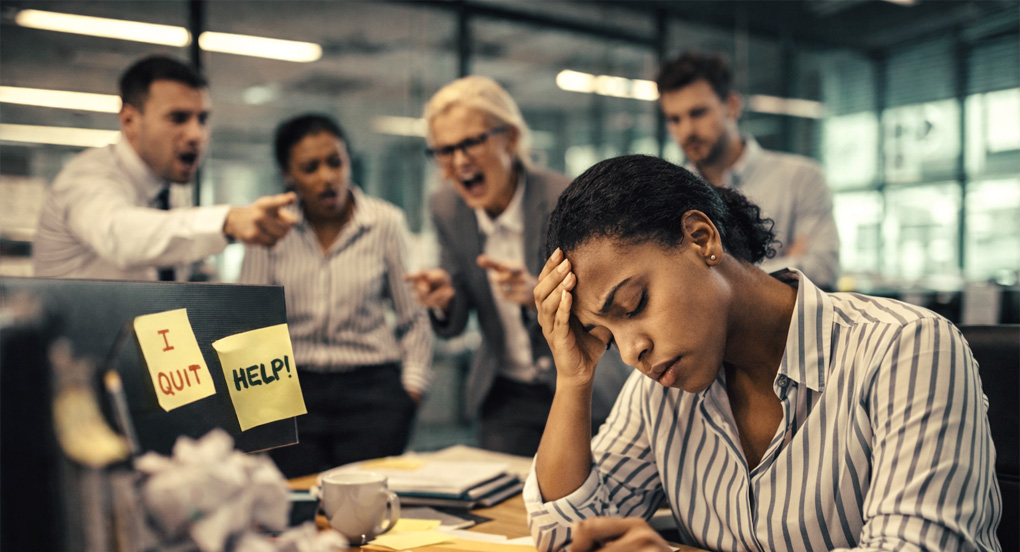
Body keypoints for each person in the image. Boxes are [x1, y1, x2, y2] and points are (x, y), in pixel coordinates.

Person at [526, 154, 1020, 552]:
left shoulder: (904, 348)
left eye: (634, 305)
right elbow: (566, 534)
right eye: (607, 335)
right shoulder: (662, 386)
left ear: (701, 239)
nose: (632, 350)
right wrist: (574, 379)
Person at [405, 75, 629, 457]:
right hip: (505, 392)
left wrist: (536, 297)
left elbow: (608, 305)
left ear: (509, 138)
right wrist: (445, 299)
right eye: (444, 150)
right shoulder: (446, 207)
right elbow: (456, 315)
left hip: (579, 382)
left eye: (471, 142)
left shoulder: (565, 197)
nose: (459, 161)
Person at [239, 113, 432, 478]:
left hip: (372, 391)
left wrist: (411, 391)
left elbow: (414, 317)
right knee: (296, 507)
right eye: (310, 167)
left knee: (366, 513)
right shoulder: (270, 227)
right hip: (290, 389)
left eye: (335, 162)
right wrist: (258, 408)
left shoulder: (385, 222)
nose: (328, 176)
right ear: (288, 175)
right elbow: (249, 325)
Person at [33, 55, 297, 280]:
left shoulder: (168, 188)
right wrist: (227, 221)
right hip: (79, 339)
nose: (196, 134)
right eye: (178, 118)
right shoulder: (85, 178)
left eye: (202, 119)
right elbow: (121, 237)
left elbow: (181, 261)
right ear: (129, 120)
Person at [656, 50, 841, 290]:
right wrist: (788, 265)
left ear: (732, 106)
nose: (687, 130)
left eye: (698, 113)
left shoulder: (801, 178)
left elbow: (823, 270)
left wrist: (711, 274)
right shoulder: (670, 196)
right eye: (674, 119)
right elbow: (671, 284)